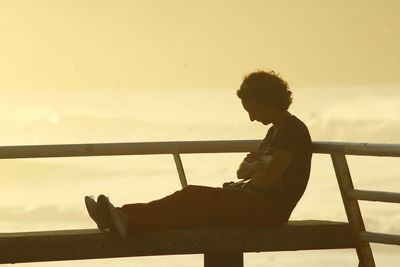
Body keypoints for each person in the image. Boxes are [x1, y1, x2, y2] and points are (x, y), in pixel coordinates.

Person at [85, 70, 312, 239]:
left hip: (269, 210)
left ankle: (130, 223)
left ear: (268, 101)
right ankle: (119, 214)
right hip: (253, 199)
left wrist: (259, 172)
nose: (251, 118)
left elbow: (266, 181)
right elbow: (243, 170)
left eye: (253, 110)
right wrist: (257, 170)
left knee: (193, 198)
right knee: (189, 197)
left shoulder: (293, 130)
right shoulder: (275, 131)